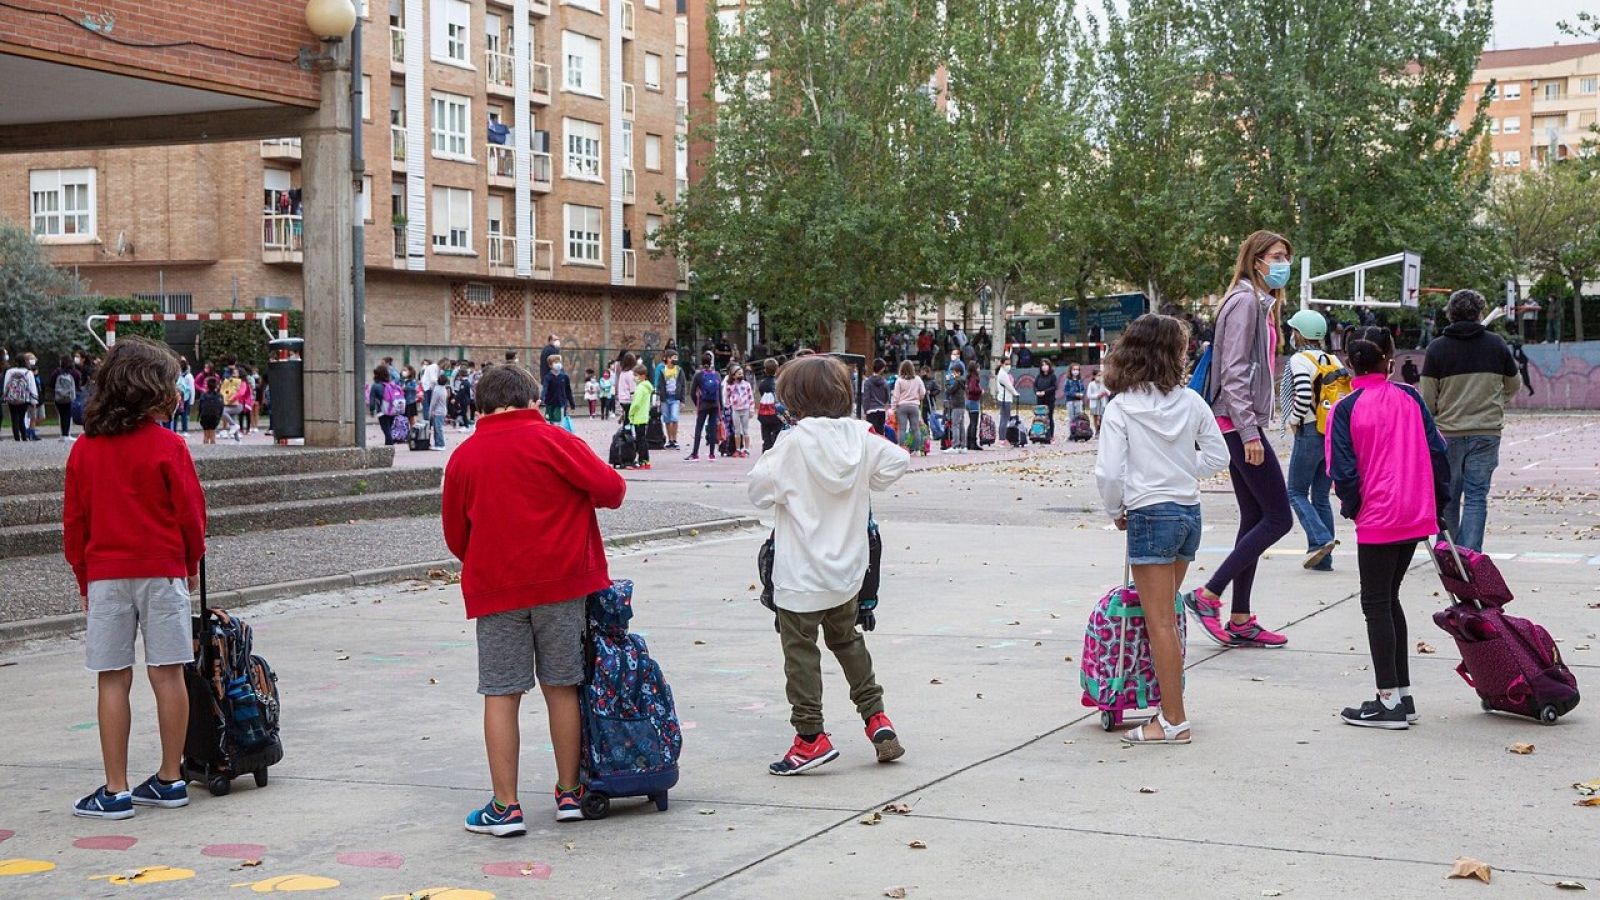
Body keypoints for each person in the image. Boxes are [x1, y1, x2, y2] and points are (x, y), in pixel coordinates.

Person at [442, 364, 627, 834]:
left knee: (501, 692)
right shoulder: (556, 441)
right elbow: (612, 490)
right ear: (532, 400)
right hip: (562, 587)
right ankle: (569, 793)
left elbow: (455, 536)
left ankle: (505, 807)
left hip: (497, 589)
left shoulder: (465, 456)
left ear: (479, 405)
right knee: (562, 687)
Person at [62, 337, 205, 819]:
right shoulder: (170, 446)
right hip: (163, 571)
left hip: (106, 574)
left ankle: (116, 788)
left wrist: (85, 578)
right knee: (168, 673)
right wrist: (190, 562)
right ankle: (170, 777)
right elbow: (191, 514)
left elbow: (74, 523)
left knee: (112, 678)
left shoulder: (85, 449)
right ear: (153, 391)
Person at [748, 355, 910, 774]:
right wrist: (866, 480)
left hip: (800, 575)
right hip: (848, 574)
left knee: (801, 653)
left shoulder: (792, 442)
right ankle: (876, 717)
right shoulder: (861, 437)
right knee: (848, 641)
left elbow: (758, 491)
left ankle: (809, 737)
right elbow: (899, 461)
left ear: (792, 398)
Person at [1094, 315, 1229, 745]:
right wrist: (1183, 471)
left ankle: (1173, 719)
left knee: (1161, 624)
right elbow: (1218, 454)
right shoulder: (1191, 401)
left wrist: (1117, 508)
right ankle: (1167, 706)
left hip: (1150, 515)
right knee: (1167, 617)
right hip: (1188, 514)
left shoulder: (1120, 406)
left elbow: (1109, 472)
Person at [1328, 326, 1449, 730]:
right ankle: (1401, 695)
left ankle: (1388, 700)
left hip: (1378, 517)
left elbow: (1342, 471)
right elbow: (1438, 453)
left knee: (1375, 604)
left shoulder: (1345, 408)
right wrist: (1439, 504)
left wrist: (1354, 506)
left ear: (1349, 362)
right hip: (1416, 512)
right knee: (1389, 598)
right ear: (1390, 360)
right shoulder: (1410, 397)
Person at [1181, 230, 1294, 650]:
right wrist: (1250, 431)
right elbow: (1232, 371)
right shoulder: (1245, 301)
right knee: (1279, 518)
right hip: (1236, 423)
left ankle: (1242, 617)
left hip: (1239, 421)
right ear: (1256, 259)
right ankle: (1209, 594)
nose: (1283, 263)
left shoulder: (1260, 303)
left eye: (1286, 256)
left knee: (1254, 519)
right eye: (1276, 255)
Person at [1419, 289, 1520, 552]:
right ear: (1479, 312)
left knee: (1448, 497)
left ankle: (1448, 551)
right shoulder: (1496, 344)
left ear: (1450, 314)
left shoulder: (1437, 349)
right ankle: (1470, 555)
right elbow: (1513, 384)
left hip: (1449, 432)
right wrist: (1495, 402)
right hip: (1487, 431)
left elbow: (1427, 399)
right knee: (1477, 496)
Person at [1281, 309, 1339, 572]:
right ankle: (1322, 559)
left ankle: (1321, 540)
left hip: (1309, 430)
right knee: (1321, 496)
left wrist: (1294, 419)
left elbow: (1303, 392)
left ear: (1300, 334)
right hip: (1332, 435)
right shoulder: (1334, 360)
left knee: (1295, 491)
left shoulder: (1300, 360)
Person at [687, 353, 722, 461]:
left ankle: (695, 453)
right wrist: (721, 406)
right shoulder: (717, 375)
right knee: (712, 429)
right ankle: (711, 454)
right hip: (715, 405)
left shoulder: (698, 375)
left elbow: (692, 392)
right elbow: (719, 393)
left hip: (703, 405)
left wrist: (697, 402)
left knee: (699, 428)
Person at [890, 359, 926, 456]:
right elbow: (923, 392)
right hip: (914, 406)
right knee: (915, 429)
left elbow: (896, 396)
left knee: (902, 429)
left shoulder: (899, 380)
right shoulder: (918, 379)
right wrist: (918, 397)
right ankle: (918, 450)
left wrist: (893, 408)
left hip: (902, 406)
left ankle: (901, 449)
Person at [655, 350, 689, 449]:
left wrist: (682, 400)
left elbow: (682, 385)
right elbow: (659, 385)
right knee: (667, 419)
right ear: (667, 358)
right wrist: (658, 398)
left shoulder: (679, 370)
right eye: (672, 357)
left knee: (674, 418)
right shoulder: (662, 370)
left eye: (676, 357)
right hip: (665, 398)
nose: (674, 360)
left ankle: (675, 439)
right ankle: (670, 440)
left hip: (675, 398)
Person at [5, 352, 39, 442]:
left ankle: (16, 438)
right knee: (21, 417)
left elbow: (6, 385)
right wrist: (34, 400)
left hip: (11, 398)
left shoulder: (9, 371)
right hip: (24, 399)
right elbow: (32, 387)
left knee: (14, 418)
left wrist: (5, 396)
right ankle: (24, 437)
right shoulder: (28, 373)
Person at [723, 364, 755, 457]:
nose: (740, 375)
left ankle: (747, 449)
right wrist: (727, 407)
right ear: (733, 375)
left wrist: (751, 409)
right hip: (735, 410)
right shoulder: (730, 385)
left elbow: (750, 397)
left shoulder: (746, 385)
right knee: (737, 430)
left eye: (741, 373)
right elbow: (727, 397)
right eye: (738, 374)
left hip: (745, 409)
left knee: (745, 430)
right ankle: (737, 449)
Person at [628, 363, 655, 470]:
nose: (635, 378)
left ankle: (642, 460)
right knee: (642, 439)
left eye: (636, 375)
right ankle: (645, 461)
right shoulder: (647, 387)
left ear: (642, 375)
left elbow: (636, 403)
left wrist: (631, 413)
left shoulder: (640, 388)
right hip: (644, 416)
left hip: (638, 417)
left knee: (640, 440)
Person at [50, 355, 81, 441]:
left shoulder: (56, 372)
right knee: (67, 416)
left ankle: (62, 434)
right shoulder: (74, 372)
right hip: (69, 397)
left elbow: (51, 383)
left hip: (58, 397)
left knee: (62, 415)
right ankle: (66, 434)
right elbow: (78, 383)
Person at [757, 358, 784, 453]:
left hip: (764, 414)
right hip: (776, 414)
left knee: (766, 437)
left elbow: (761, 393)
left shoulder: (762, 384)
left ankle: (765, 454)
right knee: (777, 436)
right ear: (777, 369)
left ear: (765, 370)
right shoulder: (779, 382)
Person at [942, 355, 967, 455]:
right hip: (962, 405)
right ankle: (963, 445)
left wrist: (947, 382)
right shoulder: (962, 381)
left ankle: (955, 445)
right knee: (961, 425)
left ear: (958, 372)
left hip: (956, 405)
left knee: (955, 425)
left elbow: (949, 391)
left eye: (953, 372)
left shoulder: (957, 381)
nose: (952, 374)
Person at [541, 354, 574, 427]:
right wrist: (542, 398)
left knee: (559, 424)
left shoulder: (564, 377)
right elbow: (545, 389)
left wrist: (572, 404)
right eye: (555, 362)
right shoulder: (547, 377)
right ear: (550, 365)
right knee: (551, 423)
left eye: (559, 362)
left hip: (561, 403)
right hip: (550, 404)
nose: (558, 364)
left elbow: (568, 391)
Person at [862, 359, 891, 435]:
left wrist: (865, 410)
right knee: (880, 434)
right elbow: (887, 397)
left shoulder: (868, 382)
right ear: (882, 369)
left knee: (871, 434)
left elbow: (866, 398)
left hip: (871, 411)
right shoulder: (885, 382)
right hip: (881, 410)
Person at [1033, 358, 1058, 442]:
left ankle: (1051, 435)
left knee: (1049, 417)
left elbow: (1054, 387)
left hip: (1049, 399)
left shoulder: (1052, 376)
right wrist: (1037, 392)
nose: (1044, 367)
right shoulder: (1039, 376)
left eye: (1046, 365)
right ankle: (1039, 434)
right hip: (1040, 399)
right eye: (1042, 365)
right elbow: (1035, 386)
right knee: (1039, 417)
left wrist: (1045, 392)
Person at [994, 359, 1019, 440]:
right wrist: (1015, 393)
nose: (1008, 366)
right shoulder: (1003, 374)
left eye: (1009, 363)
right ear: (1002, 364)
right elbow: (1009, 386)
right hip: (1005, 399)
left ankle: (1003, 438)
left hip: (1003, 398)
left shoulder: (1002, 373)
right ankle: (1002, 438)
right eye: (1006, 364)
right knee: (1005, 419)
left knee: (1003, 418)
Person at [963, 361, 985, 451]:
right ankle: (973, 443)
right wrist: (980, 391)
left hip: (968, 400)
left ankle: (968, 442)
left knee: (971, 422)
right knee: (974, 423)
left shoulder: (968, 377)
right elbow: (973, 389)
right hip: (973, 401)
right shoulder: (974, 378)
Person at [198, 377, 224, 445]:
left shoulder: (203, 395)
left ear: (207, 385)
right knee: (213, 434)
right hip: (215, 417)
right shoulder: (219, 396)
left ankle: (205, 447)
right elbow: (221, 407)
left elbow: (200, 407)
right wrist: (219, 417)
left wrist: (199, 416)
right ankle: (213, 446)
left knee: (206, 435)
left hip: (205, 416)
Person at [428, 373, 451, 449]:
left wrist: (430, 412)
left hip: (438, 412)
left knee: (438, 428)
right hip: (442, 410)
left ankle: (440, 444)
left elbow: (433, 402)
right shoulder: (443, 389)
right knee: (437, 428)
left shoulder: (437, 390)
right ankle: (437, 444)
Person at [1085, 369, 1109, 436]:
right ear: (1094, 376)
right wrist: (1097, 396)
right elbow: (1089, 395)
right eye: (1098, 375)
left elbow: (1108, 392)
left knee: (1102, 417)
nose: (1100, 377)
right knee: (1095, 417)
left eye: (1101, 375)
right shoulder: (1091, 384)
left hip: (1103, 403)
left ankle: (1102, 431)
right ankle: (1096, 431)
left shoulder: (1104, 384)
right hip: (1095, 403)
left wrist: (1106, 393)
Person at [615, 352, 637, 424]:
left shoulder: (622, 373)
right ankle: (627, 431)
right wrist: (635, 400)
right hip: (628, 399)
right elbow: (632, 388)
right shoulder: (630, 374)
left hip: (622, 398)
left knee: (627, 416)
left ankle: (624, 425)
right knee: (629, 418)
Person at [174, 361, 194, 434]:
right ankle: (184, 430)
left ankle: (174, 430)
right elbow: (191, 388)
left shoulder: (177, 375)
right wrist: (191, 400)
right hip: (185, 397)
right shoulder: (188, 376)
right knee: (184, 414)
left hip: (178, 396)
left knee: (176, 414)